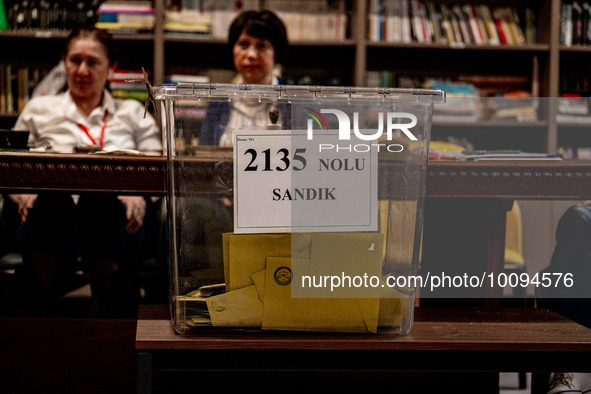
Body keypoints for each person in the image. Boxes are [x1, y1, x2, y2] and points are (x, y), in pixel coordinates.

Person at [6, 26, 162, 318]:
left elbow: (157, 166)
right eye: (75, 60)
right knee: (54, 198)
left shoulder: (133, 112)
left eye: (92, 62)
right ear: (63, 62)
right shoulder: (39, 109)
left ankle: (107, 295)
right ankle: (31, 295)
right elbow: (11, 164)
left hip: (116, 219)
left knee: (98, 198)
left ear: (111, 68)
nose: (82, 70)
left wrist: (140, 196)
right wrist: (22, 194)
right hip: (47, 216)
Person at [199, 10, 290, 146]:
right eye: (243, 44)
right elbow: (204, 152)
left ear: (276, 52)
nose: (251, 54)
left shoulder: (293, 101)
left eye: (261, 45)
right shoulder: (218, 102)